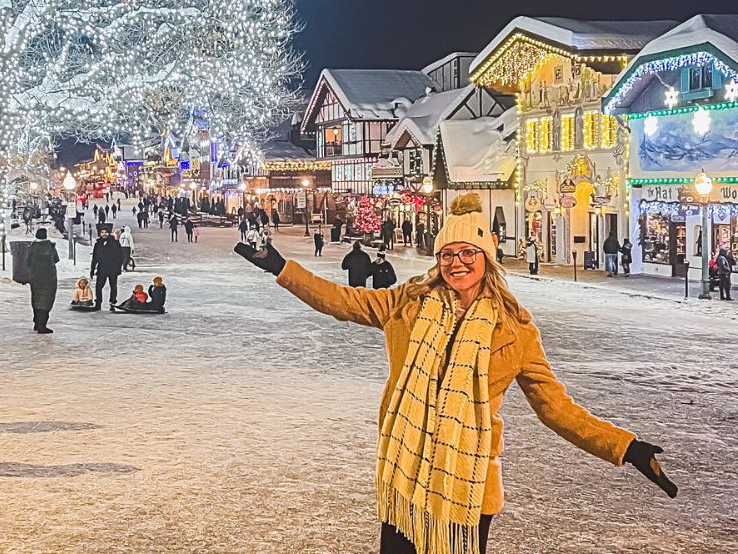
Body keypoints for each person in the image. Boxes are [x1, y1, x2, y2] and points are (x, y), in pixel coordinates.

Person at [235, 192, 677, 554]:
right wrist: (282, 268)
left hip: (468, 485)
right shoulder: (408, 302)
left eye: (469, 252)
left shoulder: (514, 329)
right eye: (448, 254)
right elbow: (342, 300)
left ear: (487, 257)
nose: (457, 263)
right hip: (406, 475)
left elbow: (555, 407)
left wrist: (625, 446)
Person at [26, 228, 60, 333]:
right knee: (46, 301)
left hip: (35, 278)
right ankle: (42, 325)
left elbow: (27, 261)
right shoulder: (49, 247)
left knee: (36, 299)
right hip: (49, 278)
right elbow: (56, 259)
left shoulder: (32, 247)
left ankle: (37, 322)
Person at [91, 227, 123, 311]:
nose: (104, 234)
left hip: (113, 268)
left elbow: (120, 256)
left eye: (106, 232)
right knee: (98, 286)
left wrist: (118, 268)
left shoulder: (115, 243)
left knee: (113, 286)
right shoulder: (98, 244)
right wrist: (92, 269)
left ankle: (112, 302)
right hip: (102, 268)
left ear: (109, 233)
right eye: (102, 232)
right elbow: (95, 257)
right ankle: (98, 303)